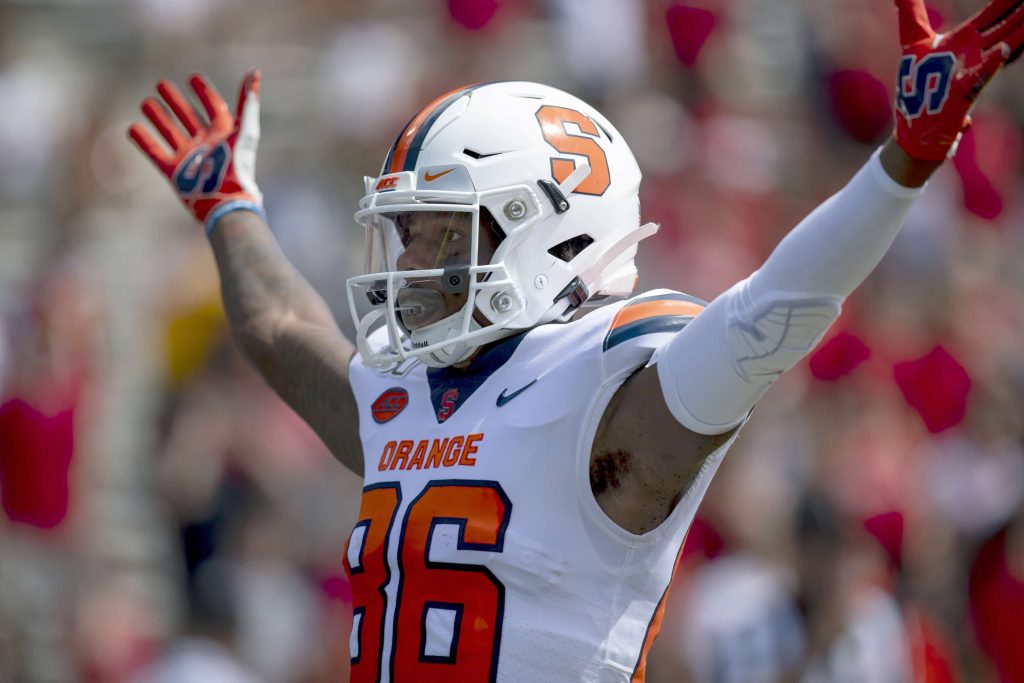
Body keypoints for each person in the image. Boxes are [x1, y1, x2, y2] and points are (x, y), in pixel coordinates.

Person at [127, 1, 1024, 680]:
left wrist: (901, 162)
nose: (409, 258)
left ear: (539, 230)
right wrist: (231, 209)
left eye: (439, 230)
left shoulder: (606, 393)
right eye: (406, 231)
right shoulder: (408, 398)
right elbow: (281, 332)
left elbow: (777, 303)